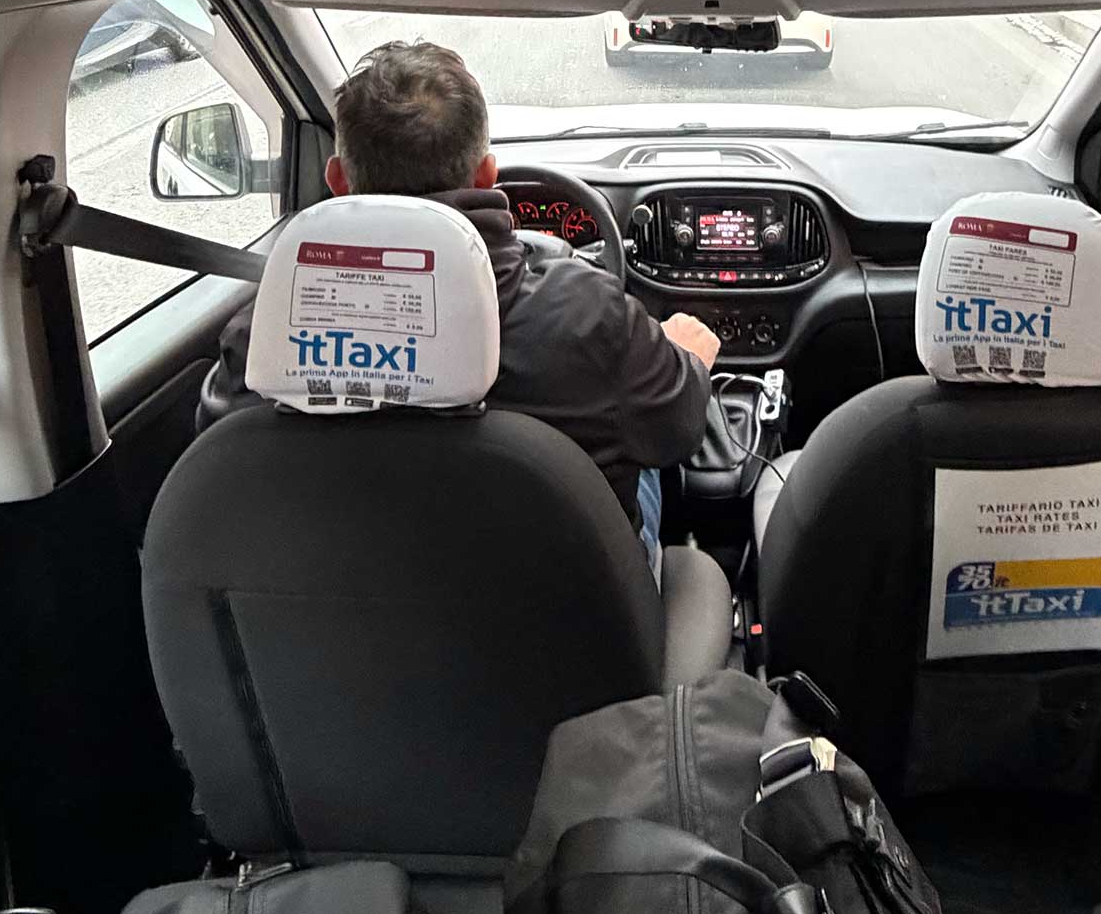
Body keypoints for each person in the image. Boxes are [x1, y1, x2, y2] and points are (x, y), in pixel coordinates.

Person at [203, 39, 720, 561]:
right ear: (488, 176)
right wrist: (688, 360)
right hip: (556, 605)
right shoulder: (591, 319)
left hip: (342, 599)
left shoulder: (264, 341)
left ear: (337, 180)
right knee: (636, 448)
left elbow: (219, 454)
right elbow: (677, 431)